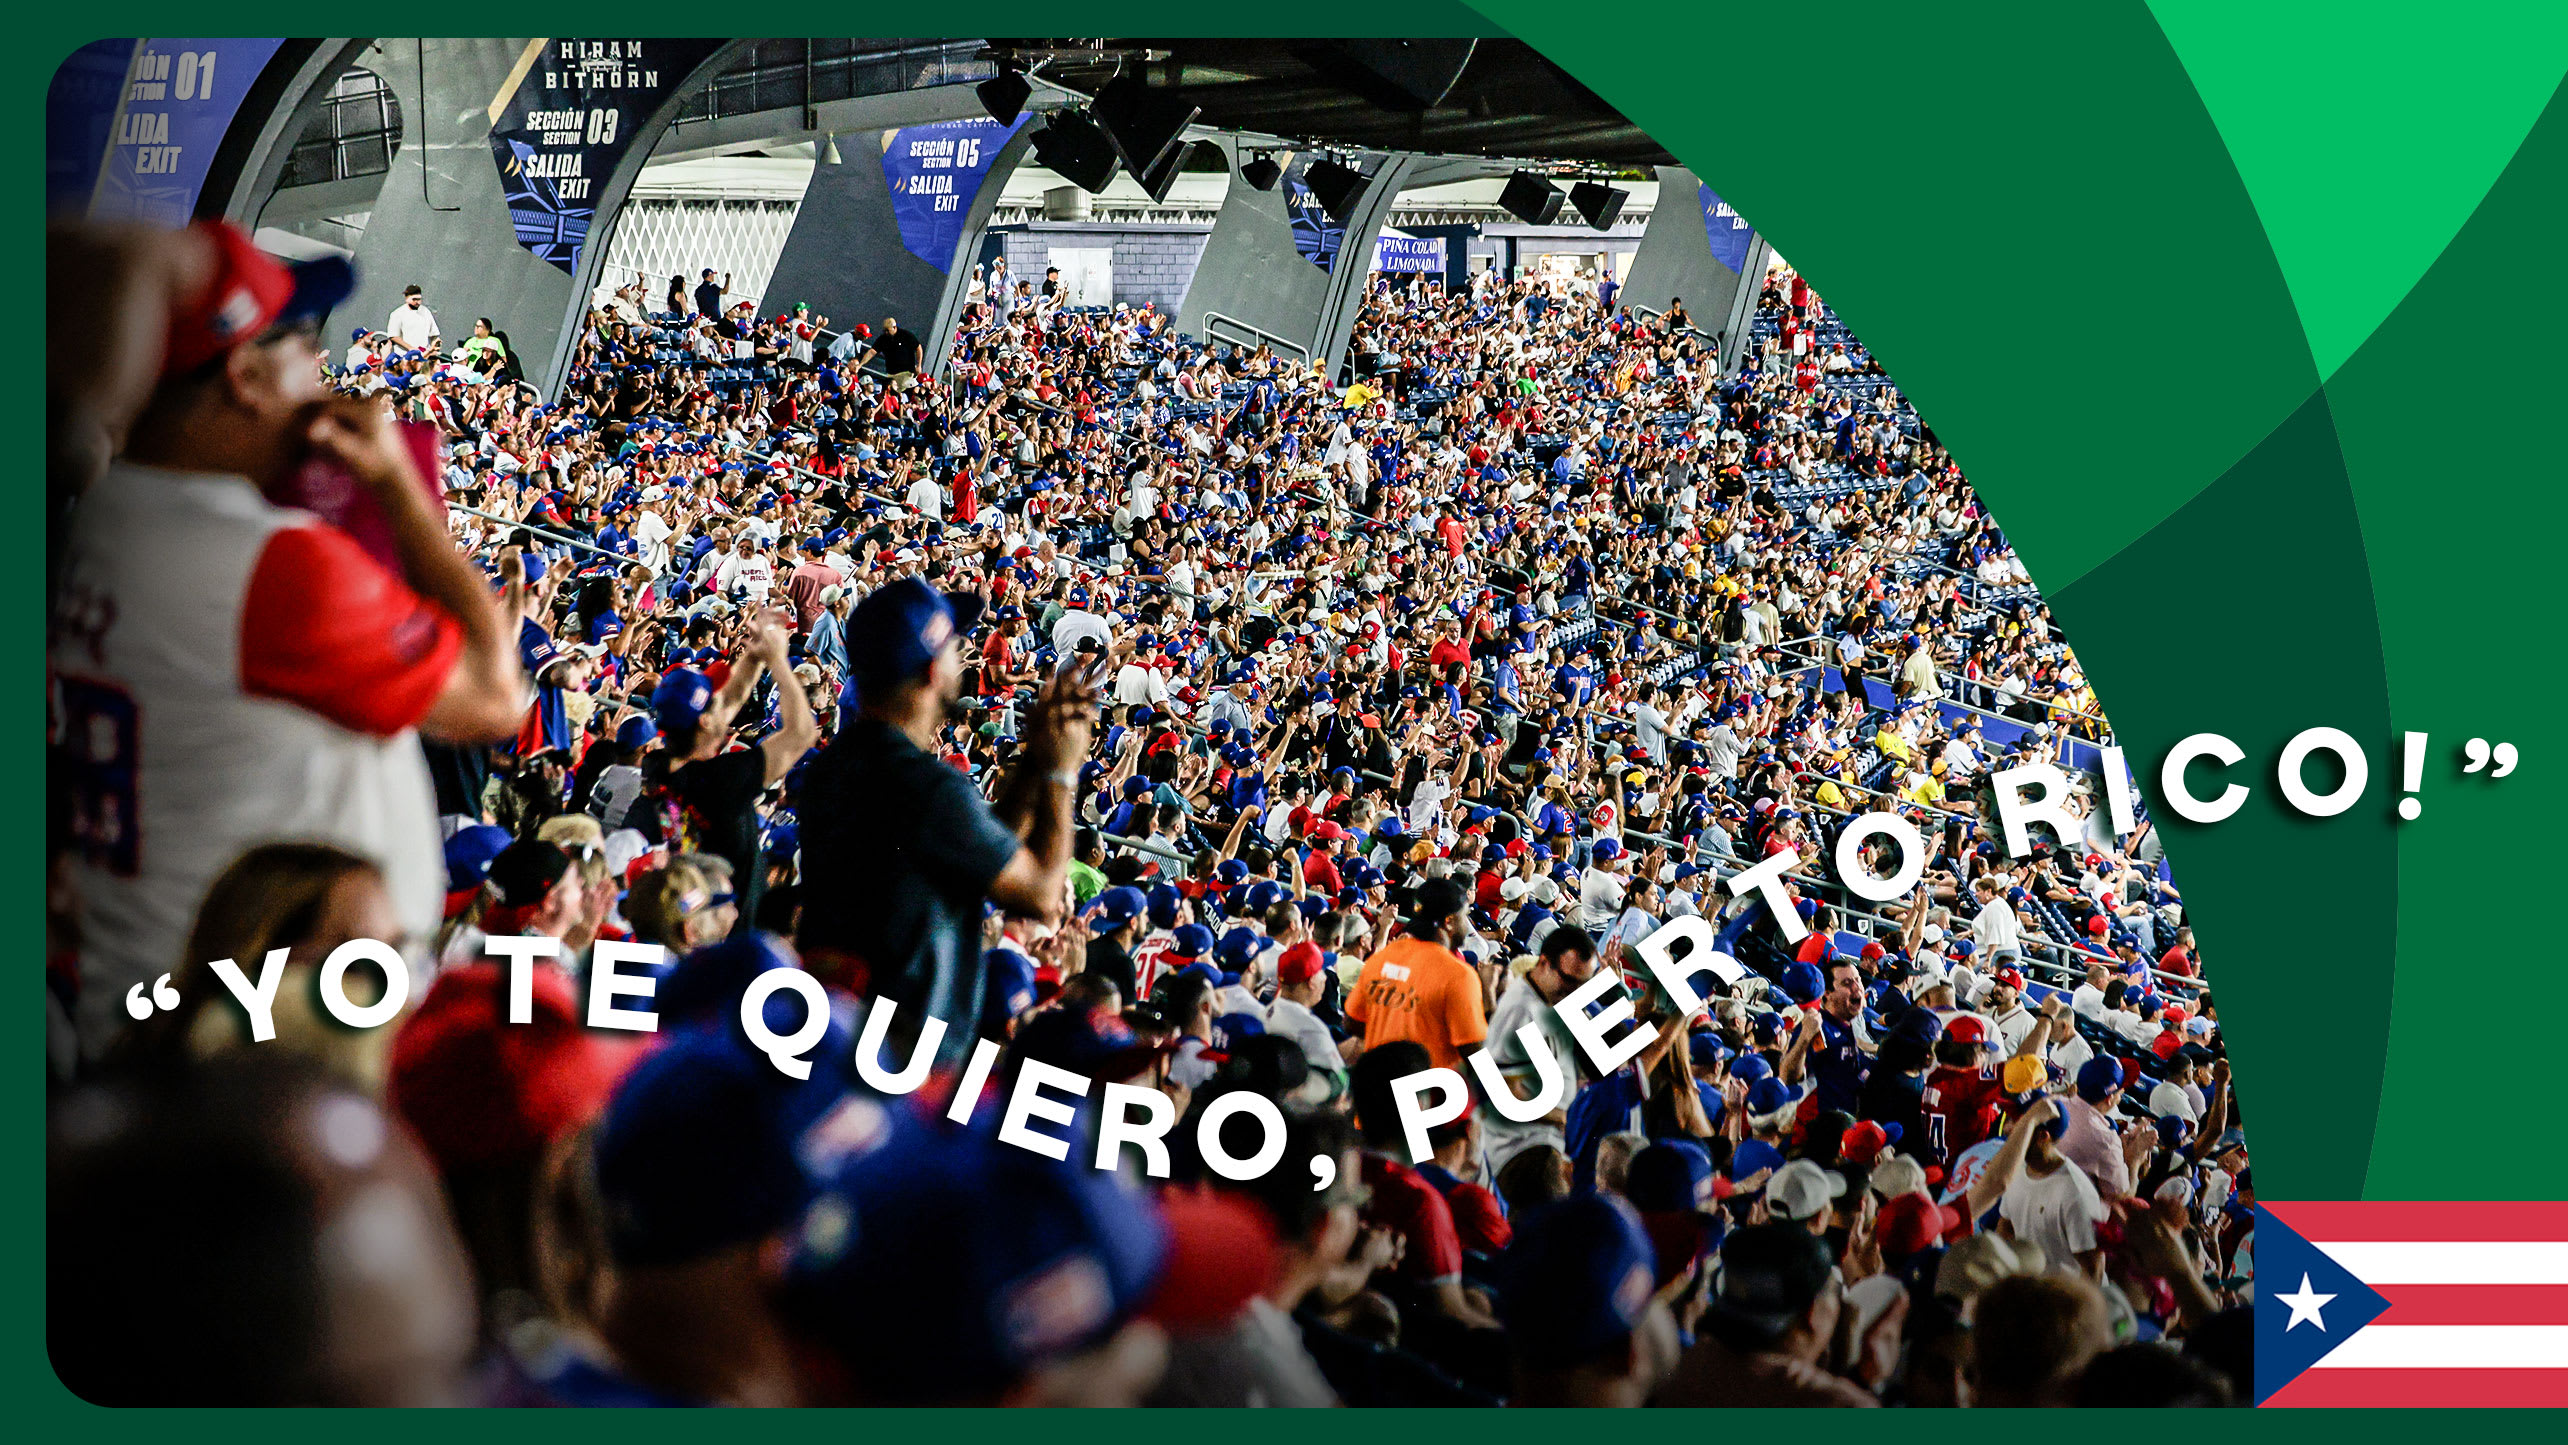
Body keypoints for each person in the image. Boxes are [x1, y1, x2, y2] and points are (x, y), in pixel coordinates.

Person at [52, 220, 524, 1065]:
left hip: (147, 1004)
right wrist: (396, 483)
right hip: (258, 1041)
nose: (324, 370)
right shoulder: (267, 566)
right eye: (305, 342)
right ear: (243, 375)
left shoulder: (95, 520)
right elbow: (496, 698)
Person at [796, 579, 1099, 1062]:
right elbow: (1041, 894)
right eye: (956, 646)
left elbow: (979, 846)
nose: (966, 655)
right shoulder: (922, 785)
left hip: (843, 1032)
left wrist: (1036, 761)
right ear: (933, 670)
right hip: (902, 1055)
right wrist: (1063, 772)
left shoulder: (838, 765)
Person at [638, 609, 817, 935]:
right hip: (729, 931)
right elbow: (803, 732)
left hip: (692, 916)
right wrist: (778, 659)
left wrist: (754, 652)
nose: (721, 703)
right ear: (705, 721)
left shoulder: (658, 765)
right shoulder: (723, 779)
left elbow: (731, 698)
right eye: (711, 702)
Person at [1344, 876, 1487, 1071]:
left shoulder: (1382, 958)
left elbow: (1352, 1022)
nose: (1466, 924)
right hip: (1426, 1096)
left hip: (1376, 1086)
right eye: (1465, 916)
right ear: (1450, 921)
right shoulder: (1458, 975)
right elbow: (1475, 1054)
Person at [387, 283, 439, 352]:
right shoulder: (397, 314)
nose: (417, 302)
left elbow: (434, 334)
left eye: (419, 299)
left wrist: (433, 348)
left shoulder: (426, 312)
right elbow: (393, 336)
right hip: (404, 355)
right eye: (414, 299)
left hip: (424, 354)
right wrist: (410, 348)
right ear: (406, 298)